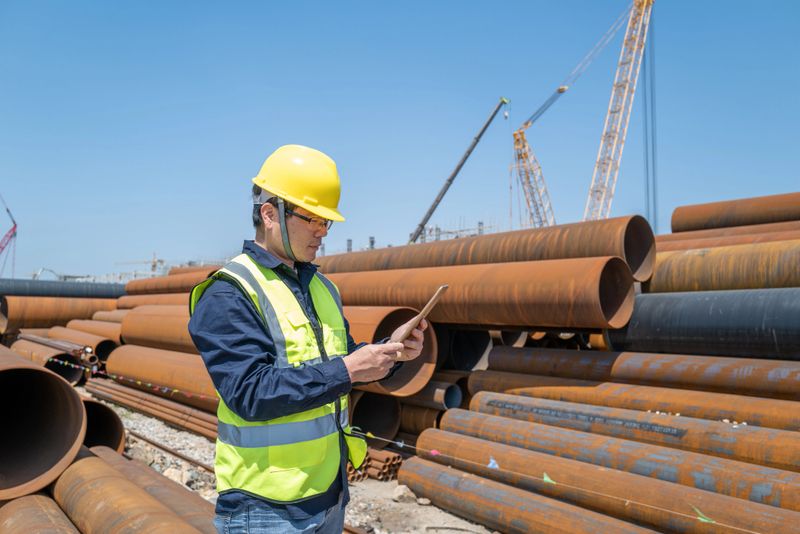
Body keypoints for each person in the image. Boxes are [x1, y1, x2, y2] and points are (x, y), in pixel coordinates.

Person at [188, 144, 427, 533]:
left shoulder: (322, 288)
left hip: (329, 493)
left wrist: (390, 350)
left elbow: (341, 358)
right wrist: (349, 369)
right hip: (266, 507)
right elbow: (250, 392)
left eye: (327, 222)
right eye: (312, 218)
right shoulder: (229, 292)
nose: (322, 231)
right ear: (270, 214)